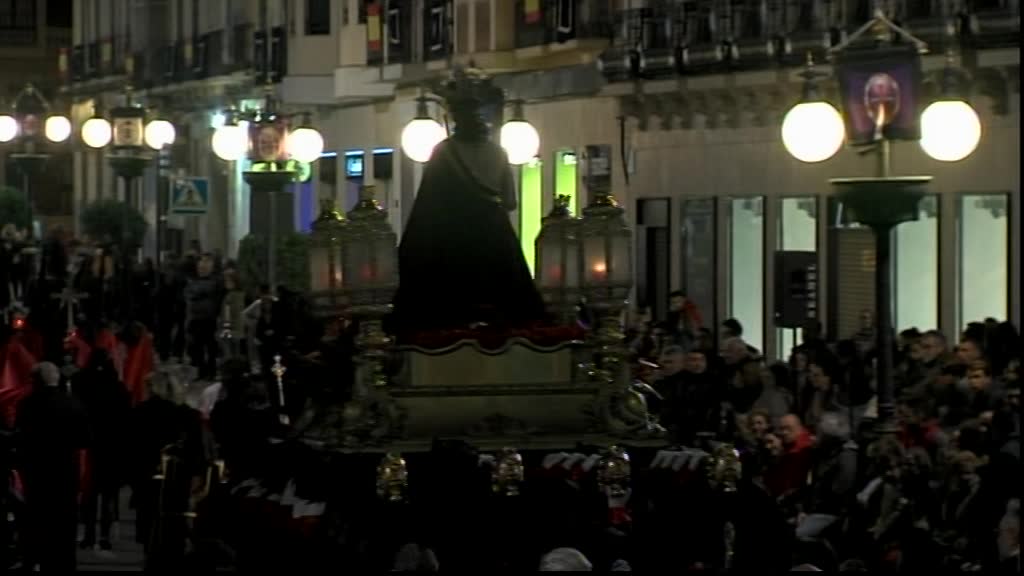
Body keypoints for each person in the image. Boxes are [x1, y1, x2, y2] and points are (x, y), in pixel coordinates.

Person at [391, 67, 546, 333]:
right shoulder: (498, 152)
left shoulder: (444, 152)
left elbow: (428, 205)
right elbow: (510, 201)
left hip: (451, 244)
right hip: (495, 238)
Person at [15, 362, 89, 571]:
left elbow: (21, 438)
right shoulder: (73, 403)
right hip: (66, 472)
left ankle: (35, 560)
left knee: (37, 520)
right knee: (65, 522)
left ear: (36, 381)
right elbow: (85, 439)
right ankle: (65, 563)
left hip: (36, 472)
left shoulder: (27, 405)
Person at [73, 348, 131, 551]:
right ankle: (105, 535)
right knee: (108, 494)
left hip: (90, 446)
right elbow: (125, 419)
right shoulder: (118, 388)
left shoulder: (81, 383)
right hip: (111, 447)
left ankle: (88, 535)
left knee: (89, 494)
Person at [185, 254, 222, 381]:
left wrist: (199, 292)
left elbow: (208, 291)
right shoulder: (193, 281)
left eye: (205, 265)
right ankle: (201, 372)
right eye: (200, 266)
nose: (202, 268)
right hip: (196, 318)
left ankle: (211, 372)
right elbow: (189, 293)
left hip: (209, 318)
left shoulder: (215, 281)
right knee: (197, 347)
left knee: (210, 347)